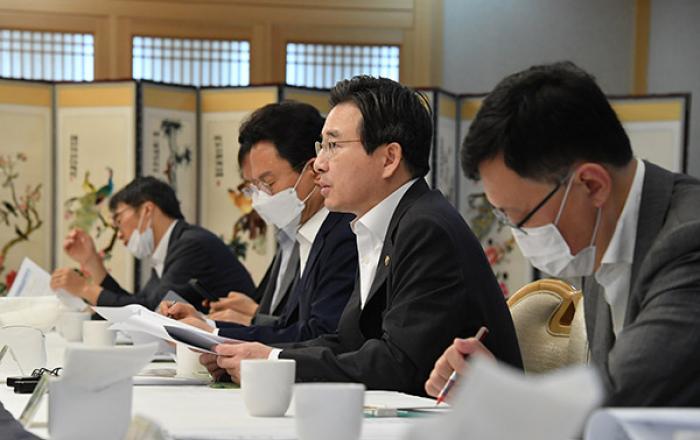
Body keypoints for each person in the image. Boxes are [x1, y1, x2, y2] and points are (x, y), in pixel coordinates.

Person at [200, 76, 522, 397]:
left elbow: (399, 364)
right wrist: (261, 354)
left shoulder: (426, 228)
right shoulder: (382, 225)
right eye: (321, 146)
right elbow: (348, 341)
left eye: (333, 146)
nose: (319, 164)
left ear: (389, 159)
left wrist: (275, 362)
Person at [426, 61, 700, 407]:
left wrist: (499, 395)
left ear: (591, 184)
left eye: (520, 216)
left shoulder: (688, 241)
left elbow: (622, 394)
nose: (517, 234)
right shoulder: (599, 236)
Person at [163, 101, 358, 343]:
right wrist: (206, 324)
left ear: (314, 170)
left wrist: (212, 333)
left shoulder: (345, 235)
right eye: (255, 187)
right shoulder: (308, 234)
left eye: (268, 183)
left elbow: (318, 334)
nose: (260, 199)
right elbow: (288, 326)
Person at [50, 176, 255, 311]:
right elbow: (138, 305)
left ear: (147, 210)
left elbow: (150, 312)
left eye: (119, 221)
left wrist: (85, 289)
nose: (118, 234)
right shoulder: (174, 245)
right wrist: (91, 261)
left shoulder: (191, 245)